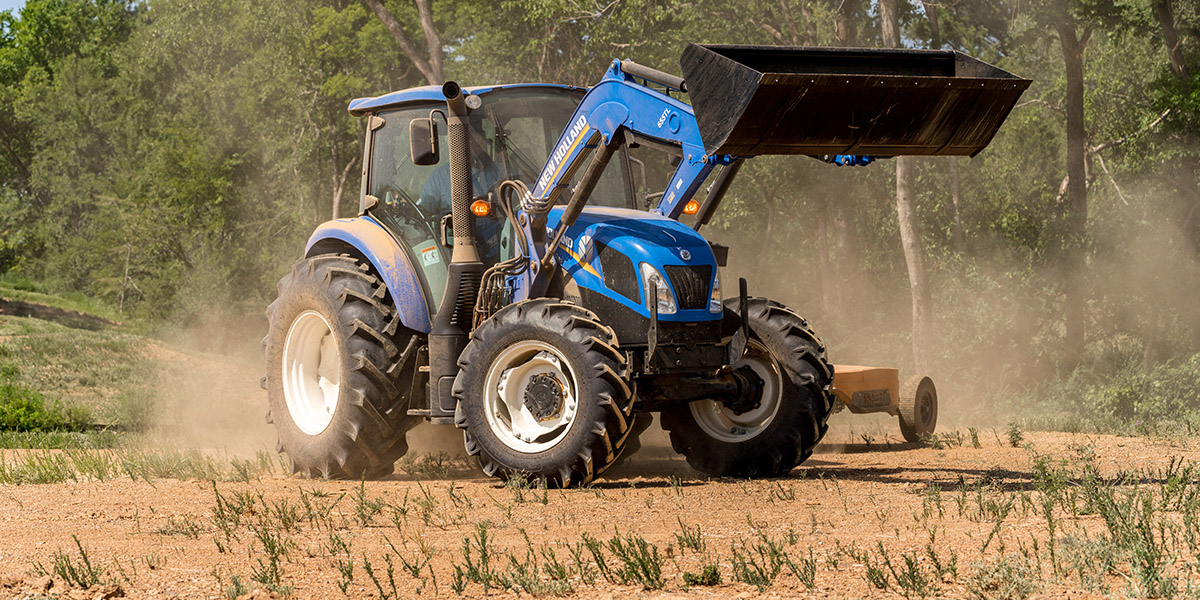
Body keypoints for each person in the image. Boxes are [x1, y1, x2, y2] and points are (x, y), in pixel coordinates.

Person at [418, 126, 505, 264]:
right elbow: (424, 217)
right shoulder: (439, 179)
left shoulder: (502, 172)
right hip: (455, 253)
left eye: (481, 141)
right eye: (474, 142)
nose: (480, 146)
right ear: (460, 144)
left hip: (502, 250)